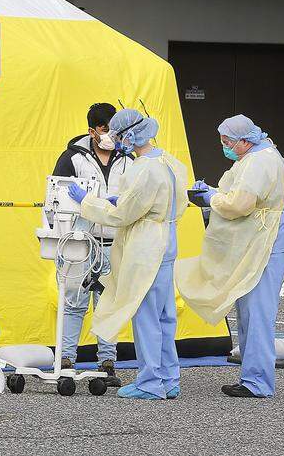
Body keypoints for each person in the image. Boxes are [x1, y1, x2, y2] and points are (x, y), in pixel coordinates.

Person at [67, 108, 188, 399]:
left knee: (145, 315)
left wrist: (90, 203)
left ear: (130, 135)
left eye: (118, 135)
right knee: (164, 316)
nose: (116, 141)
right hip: (166, 240)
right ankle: (169, 379)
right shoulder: (168, 162)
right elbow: (173, 202)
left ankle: (150, 384)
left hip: (147, 245)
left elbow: (122, 215)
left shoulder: (142, 168)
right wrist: (124, 200)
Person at [175, 114, 284, 398]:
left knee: (258, 312)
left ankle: (257, 382)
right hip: (259, 239)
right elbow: (242, 193)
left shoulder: (260, 161)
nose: (224, 146)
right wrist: (216, 192)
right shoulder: (255, 157)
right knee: (249, 310)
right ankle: (252, 377)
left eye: (227, 142)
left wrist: (211, 199)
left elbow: (241, 203)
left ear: (244, 140)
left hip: (266, 240)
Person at [51, 102, 134, 386]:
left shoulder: (129, 159)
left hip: (114, 240)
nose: (111, 135)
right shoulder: (72, 158)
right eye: (105, 129)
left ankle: (107, 363)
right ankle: (66, 360)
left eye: (115, 129)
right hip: (79, 241)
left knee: (108, 304)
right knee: (74, 302)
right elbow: (54, 199)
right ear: (92, 131)